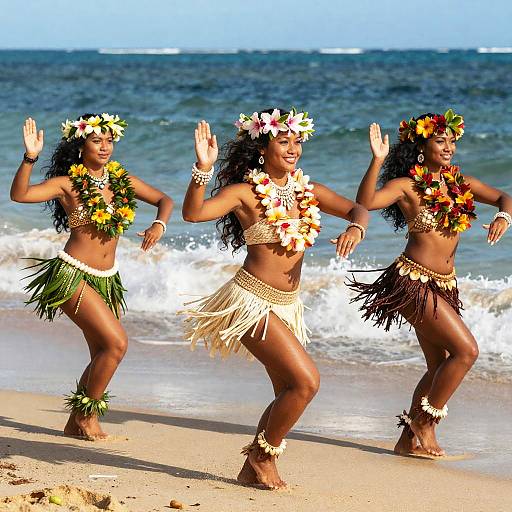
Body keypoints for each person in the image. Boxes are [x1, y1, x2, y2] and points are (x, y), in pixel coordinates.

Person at [181, 109, 369, 488]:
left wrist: (356, 228)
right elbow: (193, 213)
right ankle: (261, 455)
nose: (293, 148)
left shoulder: (307, 191)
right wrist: (203, 170)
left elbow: (357, 208)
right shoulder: (245, 193)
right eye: (283, 141)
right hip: (251, 302)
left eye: (296, 141)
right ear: (262, 149)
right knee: (306, 383)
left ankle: (254, 467)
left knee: (287, 389)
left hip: (289, 305)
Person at [349, 110, 512, 456]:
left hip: (446, 285)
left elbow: (504, 196)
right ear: (422, 147)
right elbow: (366, 203)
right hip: (413, 281)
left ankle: (409, 441)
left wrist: (503, 215)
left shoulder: (459, 183)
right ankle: (423, 424)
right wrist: (377, 161)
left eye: (452, 140)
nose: (449, 146)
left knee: (440, 365)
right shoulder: (407, 186)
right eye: (441, 140)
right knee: (467, 352)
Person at [11, 114, 173, 440]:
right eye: (96, 140)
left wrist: (159, 224)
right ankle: (87, 417)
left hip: (106, 278)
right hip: (72, 274)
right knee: (116, 345)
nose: (104, 147)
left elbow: (164, 200)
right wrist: (30, 157)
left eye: (109, 140)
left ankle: (75, 422)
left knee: (102, 351)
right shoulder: (68, 183)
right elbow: (20, 195)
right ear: (80, 144)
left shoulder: (120, 179)